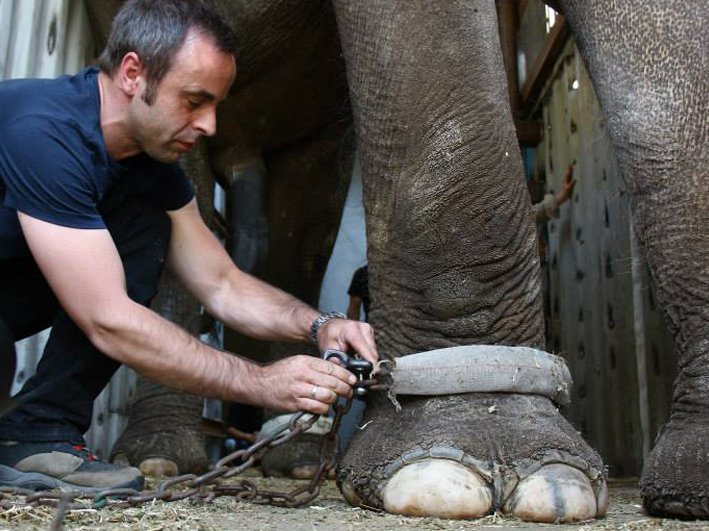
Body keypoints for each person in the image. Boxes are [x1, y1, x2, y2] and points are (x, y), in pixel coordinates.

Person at [0, 0, 377, 494]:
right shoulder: (47, 133)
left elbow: (222, 283)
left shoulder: (147, 167)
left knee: (145, 224)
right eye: (194, 101)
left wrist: (320, 325)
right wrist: (261, 382)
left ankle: (39, 432)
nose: (210, 126)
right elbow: (107, 318)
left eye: (215, 105)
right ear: (133, 73)